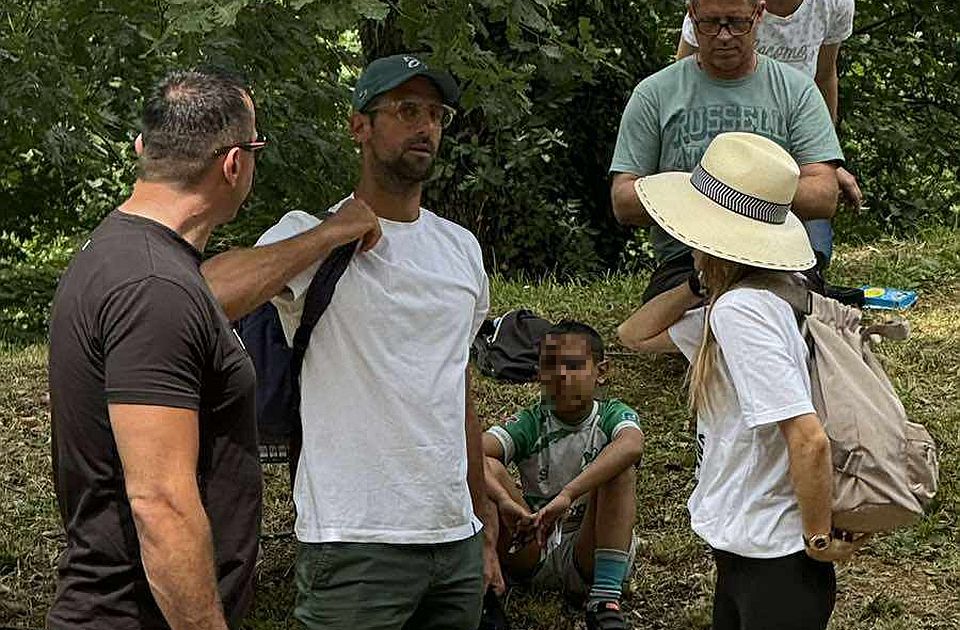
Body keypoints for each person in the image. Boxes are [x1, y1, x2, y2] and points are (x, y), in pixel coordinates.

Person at [47, 68, 379, 630]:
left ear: (140, 149)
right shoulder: (155, 288)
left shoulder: (118, 254)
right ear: (233, 164)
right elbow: (161, 504)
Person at [206, 53, 496, 629]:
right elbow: (205, 292)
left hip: (455, 539)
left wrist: (482, 522)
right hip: (353, 539)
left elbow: (456, 388)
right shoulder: (307, 235)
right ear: (359, 126)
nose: (425, 127)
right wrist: (331, 231)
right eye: (407, 110)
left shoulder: (461, 249)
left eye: (436, 114)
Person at [617, 132, 868, 629]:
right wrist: (698, 283)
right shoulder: (757, 300)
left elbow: (808, 437)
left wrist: (819, 540)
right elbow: (635, 334)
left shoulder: (743, 313)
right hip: (749, 548)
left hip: (773, 554)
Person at [610, 0, 844, 303]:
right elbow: (623, 201)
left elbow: (823, 196)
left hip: (773, 260)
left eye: (736, 23)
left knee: (773, 314)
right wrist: (704, 194)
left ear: (759, 15)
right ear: (691, 15)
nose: (723, 35)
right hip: (687, 262)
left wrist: (736, 195)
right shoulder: (654, 94)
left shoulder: (797, 91)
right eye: (710, 23)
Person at [483, 321, 645, 630]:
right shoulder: (531, 421)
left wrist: (567, 496)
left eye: (573, 365)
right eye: (550, 366)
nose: (561, 376)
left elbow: (632, 445)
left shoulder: (612, 414)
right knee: (486, 469)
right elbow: (474, 452)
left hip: (590, 549)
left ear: (602, 371)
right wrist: (505, 500)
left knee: (619, 467)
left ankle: (605, 599)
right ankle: (488, 589)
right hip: (532, 545)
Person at [676, 0, 862, 263]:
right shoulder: (722, 6)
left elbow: (824, 75)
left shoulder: (833, 4)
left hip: (790, 159)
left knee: (814, 256)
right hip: (724, 150)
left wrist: (826, 159)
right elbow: (681, 77)